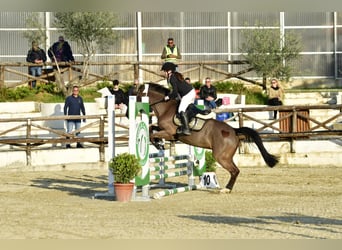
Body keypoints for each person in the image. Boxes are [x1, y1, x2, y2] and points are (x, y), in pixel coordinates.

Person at [161, 62, 195, 135]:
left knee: (181, 110)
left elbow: (175, 92)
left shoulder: (172, 78)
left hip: (188, 94)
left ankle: (186, 129)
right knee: (183, 108)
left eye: (164, 71)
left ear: (169, 71)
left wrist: (168, 97)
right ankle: (185, 124)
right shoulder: (173, 76)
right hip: (189, 92)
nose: (164, 73)